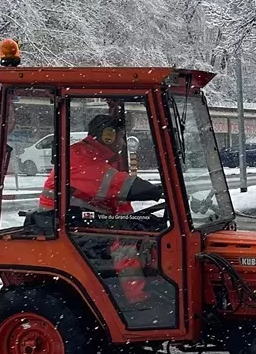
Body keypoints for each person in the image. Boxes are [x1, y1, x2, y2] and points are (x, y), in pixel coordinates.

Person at [38, 113, 164, 303]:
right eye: (121, 137)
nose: (122, 144)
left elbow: (116, 201)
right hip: (65, 224)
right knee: (125, 245)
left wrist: (137, 222)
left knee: (146, 231)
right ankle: (137, 299)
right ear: (108, 136)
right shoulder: (80, 156)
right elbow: (117, 184)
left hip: (79, 219)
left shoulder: (97, 156)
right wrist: (157, 191)